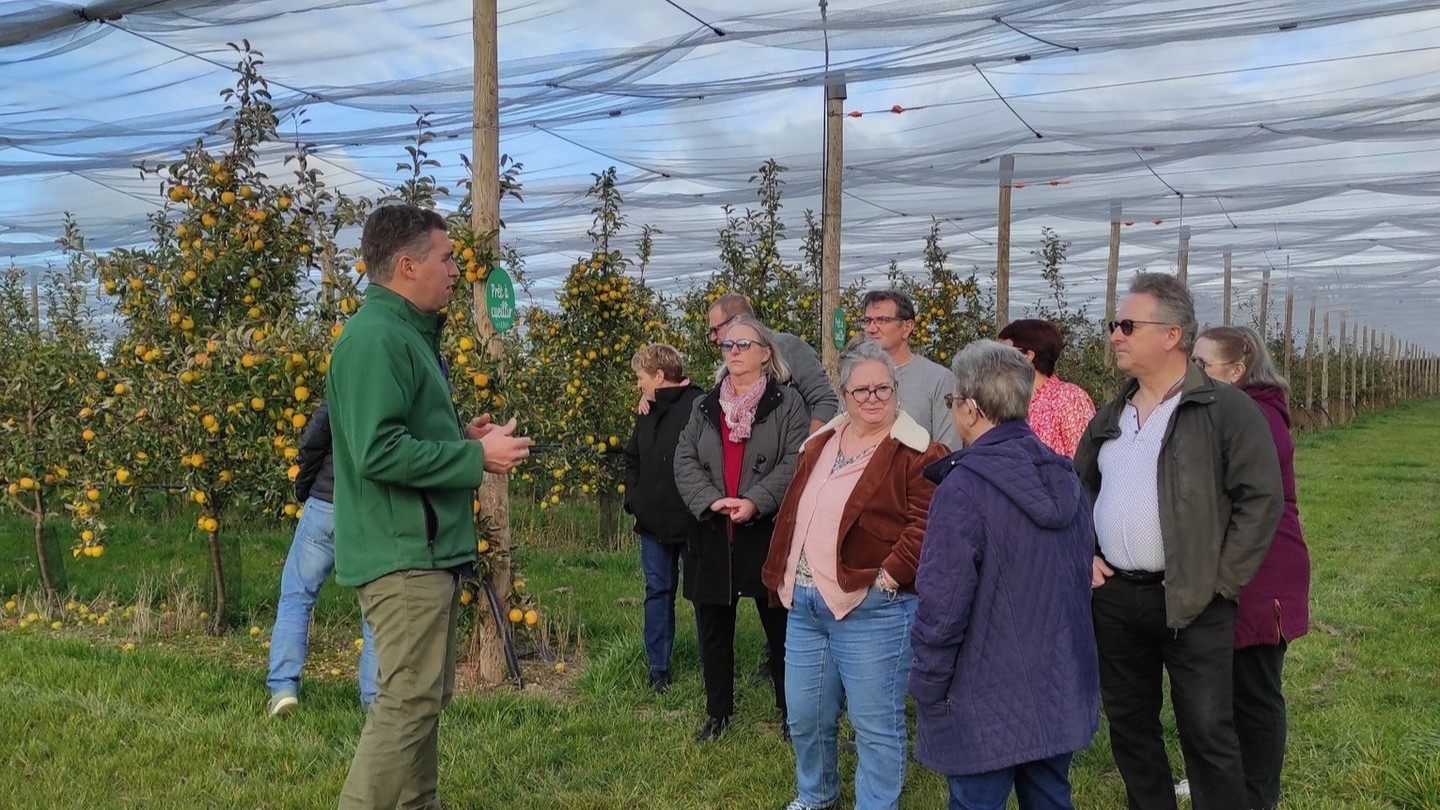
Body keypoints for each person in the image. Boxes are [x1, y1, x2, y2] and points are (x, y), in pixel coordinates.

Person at [328, 204, 533, 810]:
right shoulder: (375, 339)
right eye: (446, 258)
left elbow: (400, 437)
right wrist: (475, 462)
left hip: (424, 548)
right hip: (403, 553)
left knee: (424, 698)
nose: (455, 269)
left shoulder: (405, 336)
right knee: (406, 699)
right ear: (408, 265)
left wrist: (459, 443)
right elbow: (377, 451)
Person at [1075, 272, 1283, 810]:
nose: (1115, 335)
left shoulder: (1224, 410)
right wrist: (1086, 553)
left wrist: (1221, 580)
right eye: (1113, 325)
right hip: (1118, 597)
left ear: (1172, 335)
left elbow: (1261, 499)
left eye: (1127, 325)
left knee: (1207, 731)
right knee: (1130, 726)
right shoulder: (1110, 415)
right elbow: (1078, 488)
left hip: (1193, 598)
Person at [909, 340, 1099, 810]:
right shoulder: (1063, 476)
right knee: (1052, 797)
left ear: (971, 410)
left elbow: (942, 603)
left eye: (953, 401)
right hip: (1058, 678)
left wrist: (927, 682)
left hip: (983, 689)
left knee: (976, 802)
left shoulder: (963, 489)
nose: (952, 410)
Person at [762, 340, 948, 810]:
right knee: (806, 717)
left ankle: (875, 804)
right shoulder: (821, 442)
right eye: (861, 390)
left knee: (874, 724)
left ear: (896, 390)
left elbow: (927, 523)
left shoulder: (917, 451)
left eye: (882, 388)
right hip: (805, 602)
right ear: (843, 394)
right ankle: (816, 796)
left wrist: (888, 577)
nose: (872, 398)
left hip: (870, 609)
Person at [1190, 325, 1311, 810]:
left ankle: (1258, 794)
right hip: (1243, 567)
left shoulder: (1258, 416)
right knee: (1227, 688)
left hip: (1265, 573)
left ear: (1237, 371)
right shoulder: (1235, 409)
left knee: (1256, 691)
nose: (1191, 372)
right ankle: (1231, 780)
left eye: (1202, 364)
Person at [674, 316, 809, 743]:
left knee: (781, 631)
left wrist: (755, 501)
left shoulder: (787, 404)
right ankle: (718, 714)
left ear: (766, 353)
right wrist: (711, 500)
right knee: (713, 631)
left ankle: (791, 715)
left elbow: (794, 461)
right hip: (714, 531)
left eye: (743, 344)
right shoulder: (704, 405)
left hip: (764, 532)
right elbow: (684, 459)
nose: (733, 351)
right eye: (728, 344)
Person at [266, 400, 378, 716]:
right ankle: (373, 702)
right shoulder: (402, 381)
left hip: (325, 503)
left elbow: (312, 441)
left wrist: (306, 486)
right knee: (374, 612)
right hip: (370, 513)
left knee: (296, 598)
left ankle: (283, 688)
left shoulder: (345, 376)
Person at [621, 343, 705, 695]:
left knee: (702, 593)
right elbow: (632, 457)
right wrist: (634, 499)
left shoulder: (700, 406)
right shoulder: (647, 410)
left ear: (659, 376)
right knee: (658, 592)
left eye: (641, 377)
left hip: (691, 521)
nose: (638, 384)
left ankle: (712, 663)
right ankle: (658, 668)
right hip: (653, 521)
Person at [706, 293, 839, 434]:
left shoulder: (789, 347)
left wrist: (808, 449)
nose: (713, 338)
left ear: (737, 320)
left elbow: (825, 400)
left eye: (716, 329)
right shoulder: (730, 368)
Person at [860, 290, 961, 450]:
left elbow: (947, 450)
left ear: (907, 328)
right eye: (868, 321)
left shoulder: (937, 379)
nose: (871, 329)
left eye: (882, 320)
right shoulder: (856, 377)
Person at [997, 318, 1095, 458]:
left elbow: (1084, 462)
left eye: (1003, 352)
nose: (997, 360)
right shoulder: (1006, 401)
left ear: (1028, 356)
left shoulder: (1069, 398)